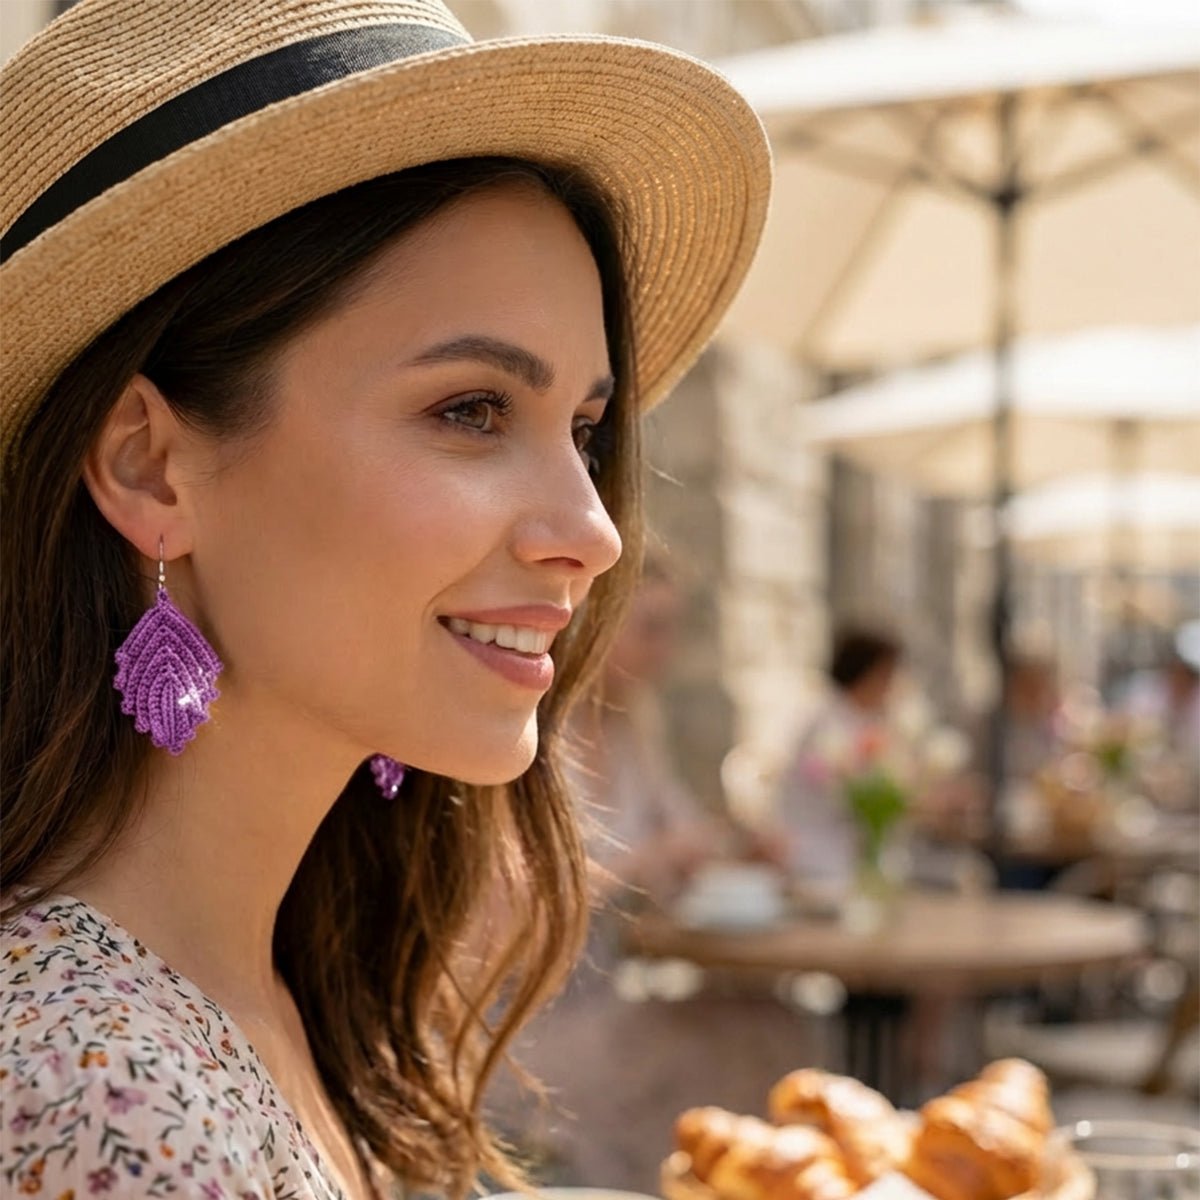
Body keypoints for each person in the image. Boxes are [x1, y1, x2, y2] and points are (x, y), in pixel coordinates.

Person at [0, 3, 771, 1196]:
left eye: (583, 429)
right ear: (151, 466)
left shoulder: (261, 979)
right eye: (471, 411)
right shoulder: (105, 1096)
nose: (596, 533)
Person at [775, 628, 904, 892]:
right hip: (816, 859)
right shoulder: (826, 725)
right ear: (867, 674)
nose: (892, 687)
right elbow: (850, 795)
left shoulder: (867, 722)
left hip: (848, 856)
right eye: (888, 675)